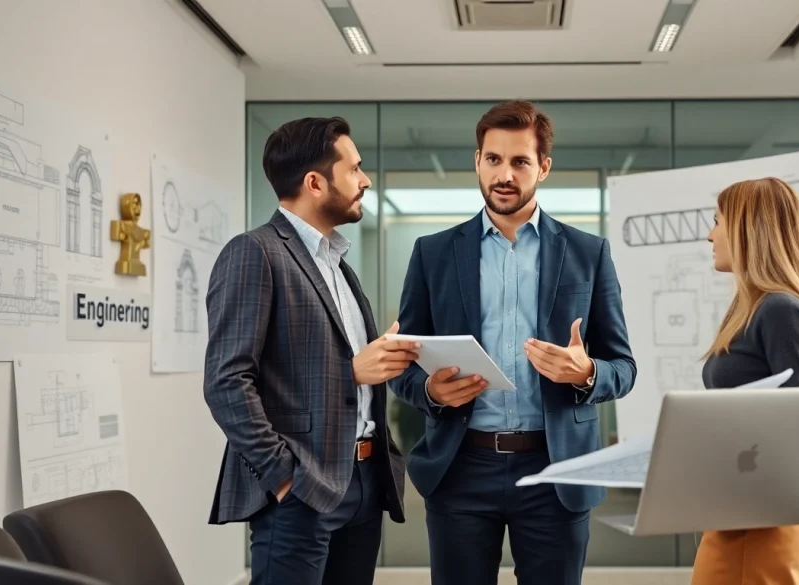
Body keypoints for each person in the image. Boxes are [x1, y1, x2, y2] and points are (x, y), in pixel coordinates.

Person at [388, 100, 637, 585]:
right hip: (461, 467)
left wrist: (587, 373)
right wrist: (430, 391)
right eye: (494, 159)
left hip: (555, 469)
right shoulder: (433, 254)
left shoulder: (588, 253)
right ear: (477, 161)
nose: (505, 174)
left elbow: (623, 367)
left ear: (543, 167)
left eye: (520, 161)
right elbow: (403, 363)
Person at [203, 116, 414, 585]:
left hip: (363, 481)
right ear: (315, 183)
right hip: (302, 488)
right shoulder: (254, 252)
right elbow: (226, 382)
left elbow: (321, 368)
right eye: (354, 169)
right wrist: (283, 477)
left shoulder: (338, 266)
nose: (365, 180)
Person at [691, 177, 799, 585]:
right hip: (740, 508)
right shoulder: (754, 308)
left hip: (764, 518)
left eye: (717, 222)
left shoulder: (780, 310)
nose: (710, 235)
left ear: (747, 230)